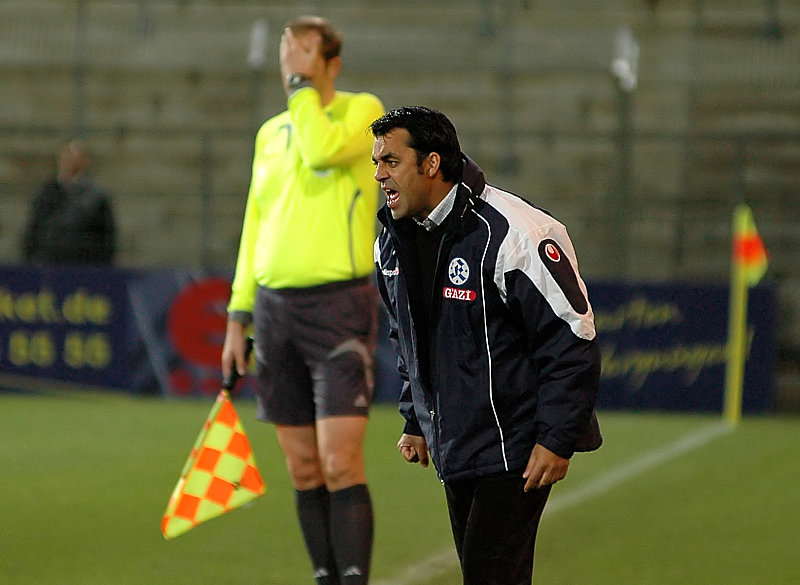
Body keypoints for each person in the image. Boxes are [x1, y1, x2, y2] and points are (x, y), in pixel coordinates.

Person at [370, 106, 602, 585]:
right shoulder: (392, 240)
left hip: (516, 445)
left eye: (390, 161)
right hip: (458, 443)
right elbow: (409, 337)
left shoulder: (516, 234)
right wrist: (415, 417)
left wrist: (556, 438)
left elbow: (572, 339)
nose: (378, 175)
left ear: (431, 164)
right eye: (377, 162)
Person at [221, 16, 384, 585]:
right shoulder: (270, 134)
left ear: (331, 64)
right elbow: (255, 225)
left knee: (340, 462)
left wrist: (300, 90)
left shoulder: (362, 112)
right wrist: (238, 315)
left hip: (338, 308)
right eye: (286, 52)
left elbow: (319, 151)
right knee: (304, 467)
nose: (290, 61)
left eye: (303, 52)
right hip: (274, 313)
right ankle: (325, 577)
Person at [21, 140, 116, 265]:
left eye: (73, 156)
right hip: (48, 265)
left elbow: (106, 236)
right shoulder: (46, 192)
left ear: (84, 161)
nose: (68, 160)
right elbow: (33, 229)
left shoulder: (96, 195)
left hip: (83, 267)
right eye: (65, 155)